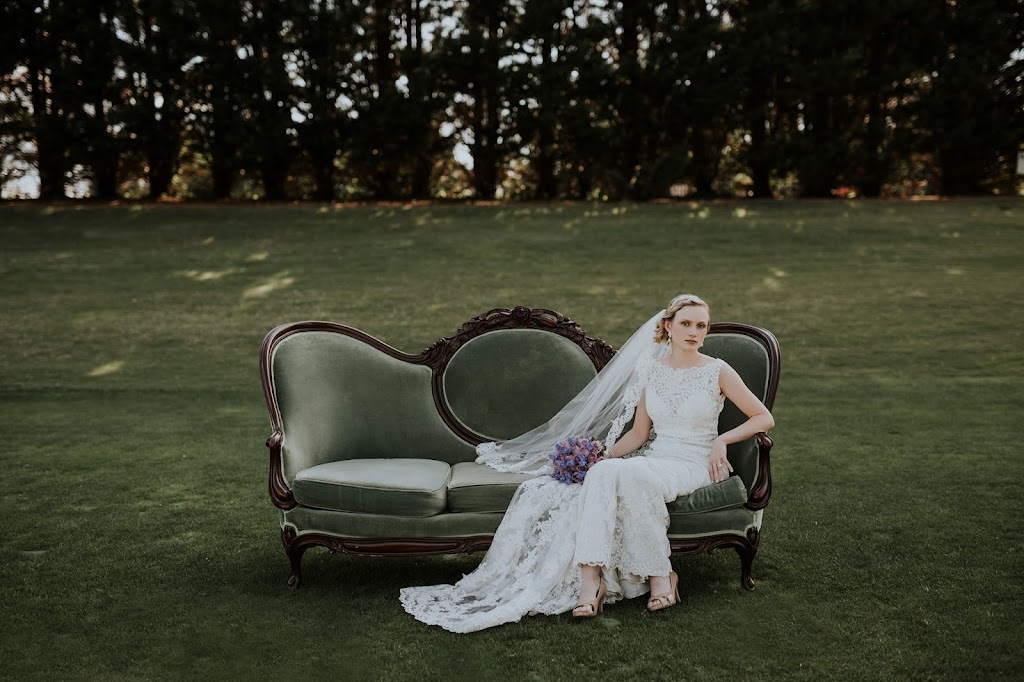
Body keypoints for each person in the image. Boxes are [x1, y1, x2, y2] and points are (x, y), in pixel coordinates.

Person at [399, 294, 775, 632]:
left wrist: (722, 441)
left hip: (694, 461)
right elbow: (639, 434)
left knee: (636, 477)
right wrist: (603, 456)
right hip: (657, 457)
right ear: (668, 326)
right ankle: (590, 579)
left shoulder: (717, 370)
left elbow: (763, 417)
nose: (694, 332)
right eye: (686, 324)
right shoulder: (653, 371)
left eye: (701, 326)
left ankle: (662, 576)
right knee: (604, 472)